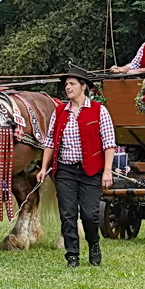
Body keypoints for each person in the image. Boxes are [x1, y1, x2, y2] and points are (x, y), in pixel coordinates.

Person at [37, 69, 117, 268]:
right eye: (66, 84)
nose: (68, 87)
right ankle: (72, 255)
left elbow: (109, 143)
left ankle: (94, 244)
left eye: (72, 84)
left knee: (90, 214)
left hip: (91, 171)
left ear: (83, 87)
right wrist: (44, 168)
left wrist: (107, 170)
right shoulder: (60, 112)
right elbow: (50, 142)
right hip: (65, 171)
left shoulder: (99, 110)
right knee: (68, 214)